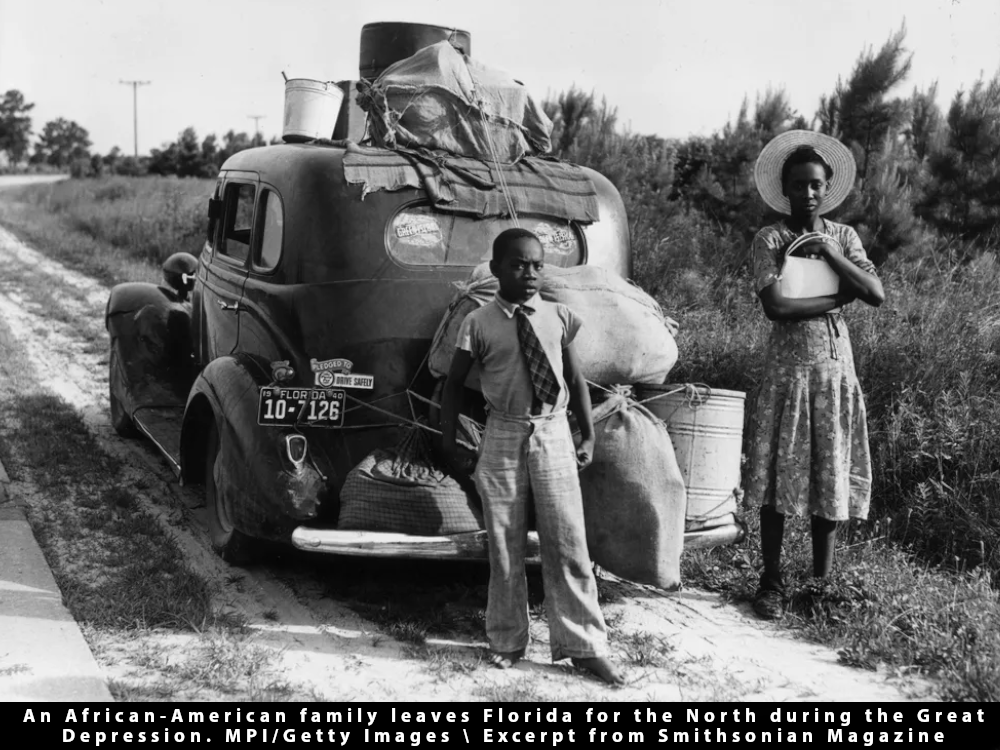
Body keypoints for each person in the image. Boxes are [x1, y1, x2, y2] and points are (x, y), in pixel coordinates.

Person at [440, 227, 624, 685]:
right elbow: (452, 386)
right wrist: (449, 440)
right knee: (505, 545)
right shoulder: (478, 323)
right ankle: (506, 640)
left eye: (537, 265)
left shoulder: (559, 316)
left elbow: (576, 380)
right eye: (518, 265)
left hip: (554, 433)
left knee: (568, 542)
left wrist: (587, 436)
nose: (529, 273)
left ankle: (585, 646)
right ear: (496, 269)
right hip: (503, 435)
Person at [746, 130, 885, 620]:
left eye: (816, 185)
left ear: (827, 188)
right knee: (776, 475)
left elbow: (875, 292)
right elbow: (777, 306)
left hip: (833, 371)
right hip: (788, 372)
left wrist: (829, 254)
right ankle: (771, 581)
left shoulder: (843, 237)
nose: (807, 192)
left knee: (829, 470)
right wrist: (836, 299)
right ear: (784, 189)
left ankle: (820, 586)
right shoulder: (771, 239)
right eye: (798, 184)